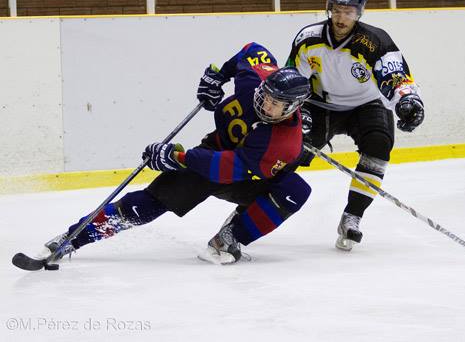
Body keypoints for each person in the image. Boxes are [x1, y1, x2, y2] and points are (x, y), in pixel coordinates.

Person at [44, 42, 312, 265]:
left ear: (293, 107)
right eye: (266, 96)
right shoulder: (255, 79)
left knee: (294, 190)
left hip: (241, 173)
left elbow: (225, 169)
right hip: (214, 152)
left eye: (276, 104)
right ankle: (73, 237)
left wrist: (176, 158)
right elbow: (252, 49)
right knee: (147, 204)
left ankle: (230, 238)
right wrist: (217, 77)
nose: (266, 104)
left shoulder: (283, 144)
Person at [286, 0, 425, 251]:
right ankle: (252, 206)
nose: (341, 17)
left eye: (348, 12)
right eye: (337, 10)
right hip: (320, 104)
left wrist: (408, 100)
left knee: (379, 144)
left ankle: (353, 216)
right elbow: (293, 80)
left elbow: (395, 76)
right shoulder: (308, 38)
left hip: (366, 104)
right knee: (290, 152)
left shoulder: (375, 41)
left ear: (359, 12)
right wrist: (298, 111)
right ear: (329, 8)